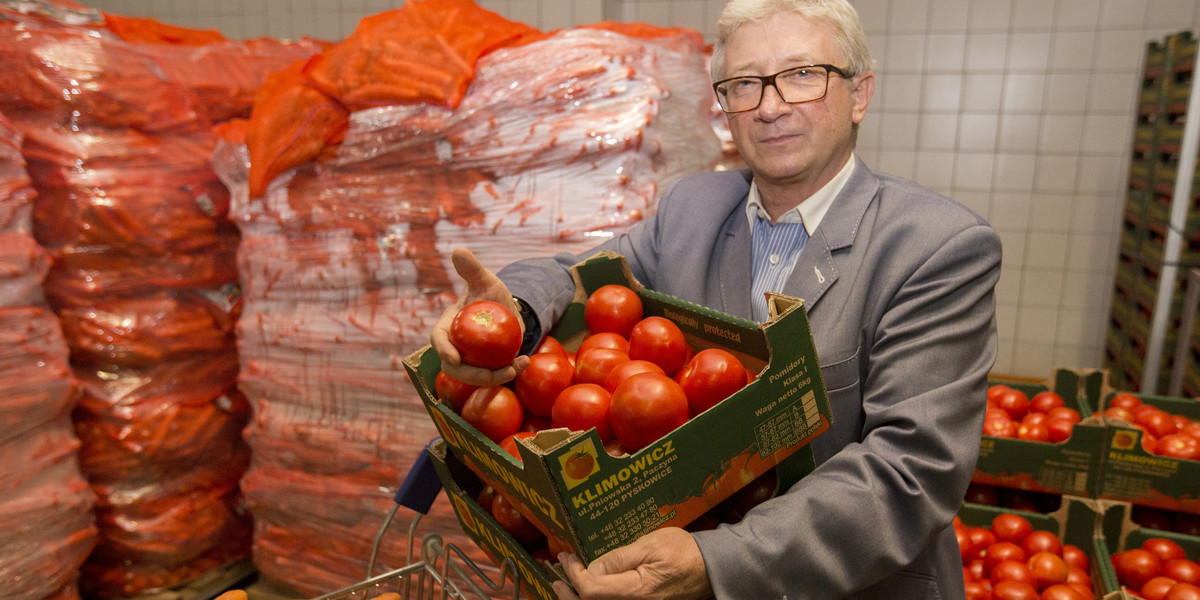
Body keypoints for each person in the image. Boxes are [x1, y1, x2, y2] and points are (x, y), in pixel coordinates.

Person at [430, 0, 1002, 597]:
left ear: (859, 95)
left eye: (803, 75)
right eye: (744, 84)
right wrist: (512, 315)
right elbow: (577, 276)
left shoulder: (937, 248)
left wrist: (716, 562)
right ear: (725, 105)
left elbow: (912, 473)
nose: (771, 105)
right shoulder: (693, 209)